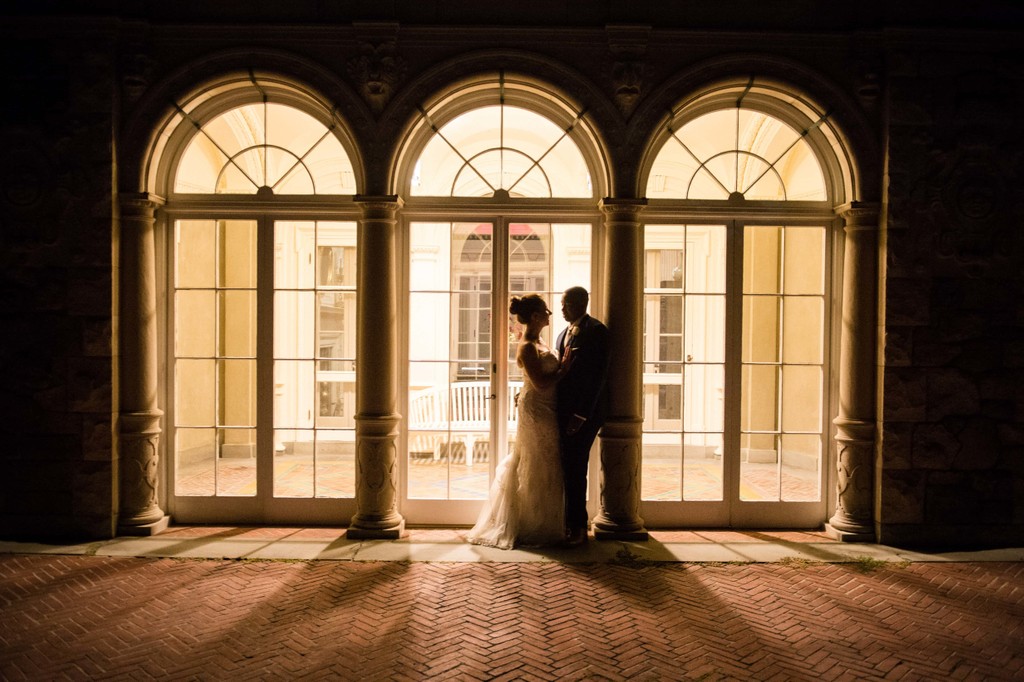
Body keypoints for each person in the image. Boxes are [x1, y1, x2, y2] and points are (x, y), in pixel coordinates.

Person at [467, 294, 569, 549]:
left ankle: (545, 521)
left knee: (547, 461)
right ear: (535, 317)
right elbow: (541, 383)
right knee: (536, 460)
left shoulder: (541, 341)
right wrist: (565, 371)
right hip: (537, 411)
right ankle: (530, 524)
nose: (550, 314)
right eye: (546, 311)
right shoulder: (526, 346)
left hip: (547, 406)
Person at [555, 286, 609, 546]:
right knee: (568, 468)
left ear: (580, 303)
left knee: (576, 468)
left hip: (583, 414)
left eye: (565, 303)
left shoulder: (596, 332)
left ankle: (578, 528)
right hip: (563, 413)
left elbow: (597, 379)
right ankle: (569, 524)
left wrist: (581, 414)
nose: (561, 308)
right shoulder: (562, 334)